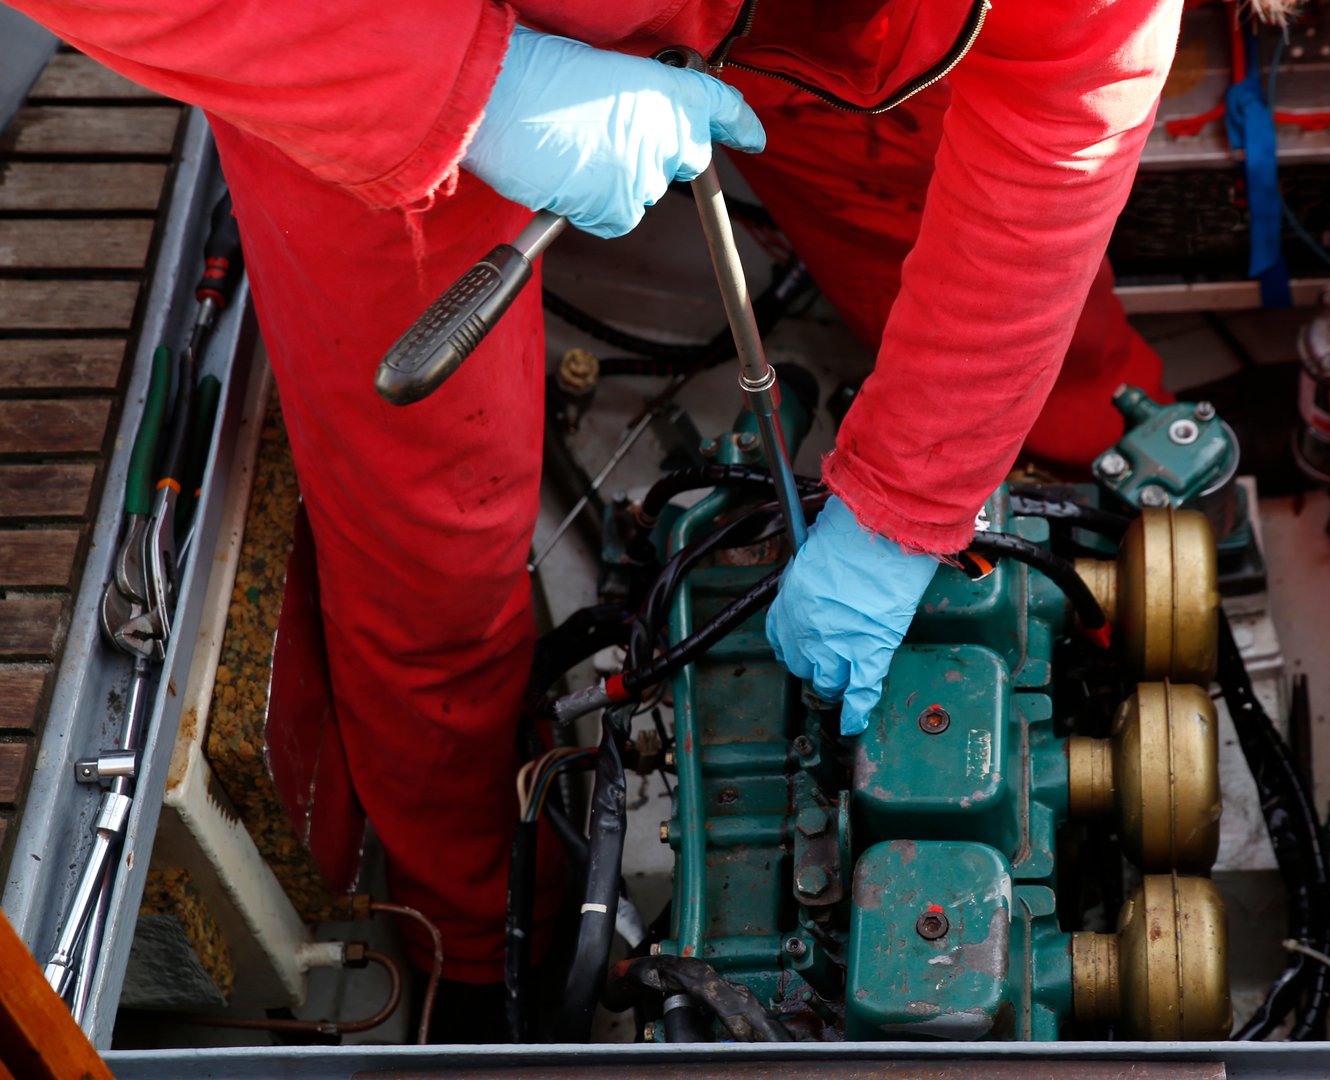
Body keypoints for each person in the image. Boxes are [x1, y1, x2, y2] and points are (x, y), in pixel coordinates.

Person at [12, 0, 1181, 1016]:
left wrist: (910, 504)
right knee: (430, 554)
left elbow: (1069, 106)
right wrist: (472, 90)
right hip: (389, 37)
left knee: (1015, 304)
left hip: (834, 38)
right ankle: (479, 946)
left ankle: (1142, 490)